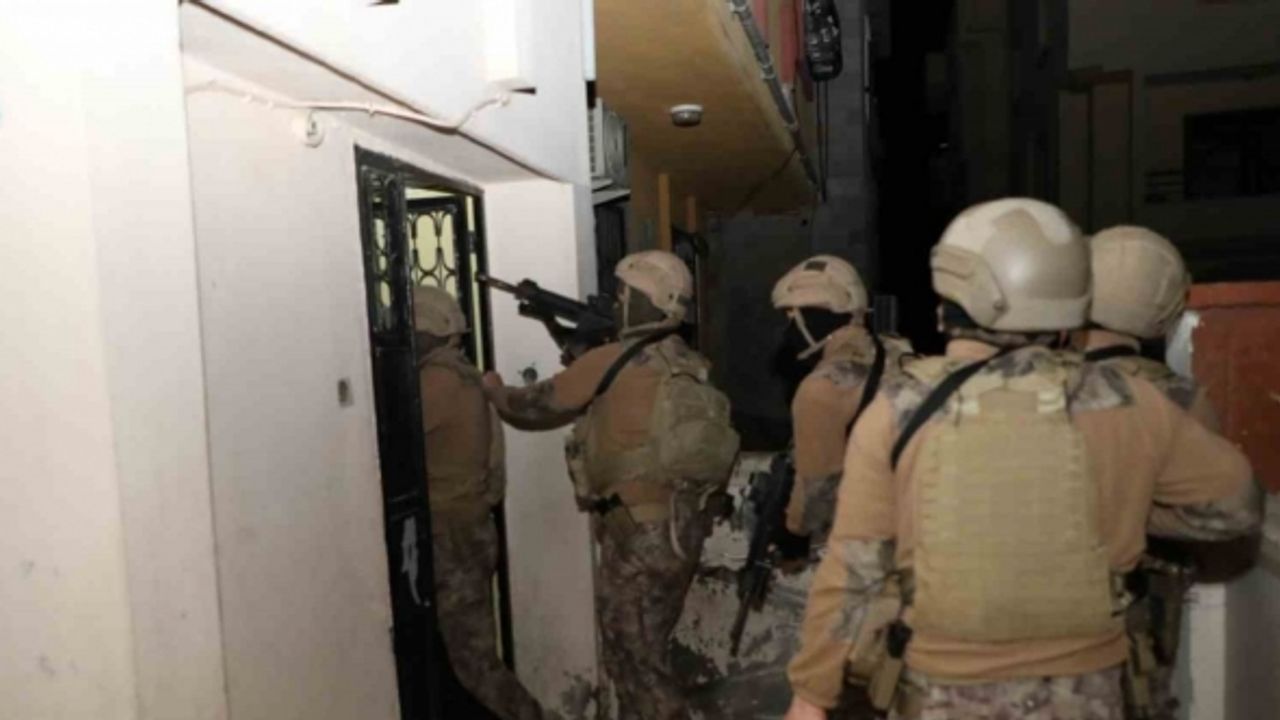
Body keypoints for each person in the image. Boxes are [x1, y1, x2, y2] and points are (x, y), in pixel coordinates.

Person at [783, 198, 1260, 720]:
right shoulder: (1130, 401)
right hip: (1088, 694)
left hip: (942, 691)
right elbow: (1234, 508)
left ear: (950, 299)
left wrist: (812, 694)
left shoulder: (900, 409)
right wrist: (1117, 509)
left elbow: (853, 570)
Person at [483, 251, 738, 720]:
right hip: (681, 525)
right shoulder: (686, 360)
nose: (617, 301)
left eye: (624, 293)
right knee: (647, 652)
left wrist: (495, 390)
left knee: (635, 665)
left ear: (645, 300)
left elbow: (535, 404)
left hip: (638, 534)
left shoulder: (613, 358)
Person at [1078, 225, 1258, 719]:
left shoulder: (1032, 383)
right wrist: (1136, 514)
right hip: (1136, 627)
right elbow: (1227, 510)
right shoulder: (1178, 399)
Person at [414, 285, 549, 720]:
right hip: (466, 524)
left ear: (428, 330)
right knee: (461, 654)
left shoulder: (436, 381)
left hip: (451, 532)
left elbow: (389, 438)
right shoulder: (462, 375)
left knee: (472, 661)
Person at [771, 254, 913, 543]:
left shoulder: (822, 386)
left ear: (808, 316)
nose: (789, 330)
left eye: (791, 316)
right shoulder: (901, 357)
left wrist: (787, 532)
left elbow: (814, 505)